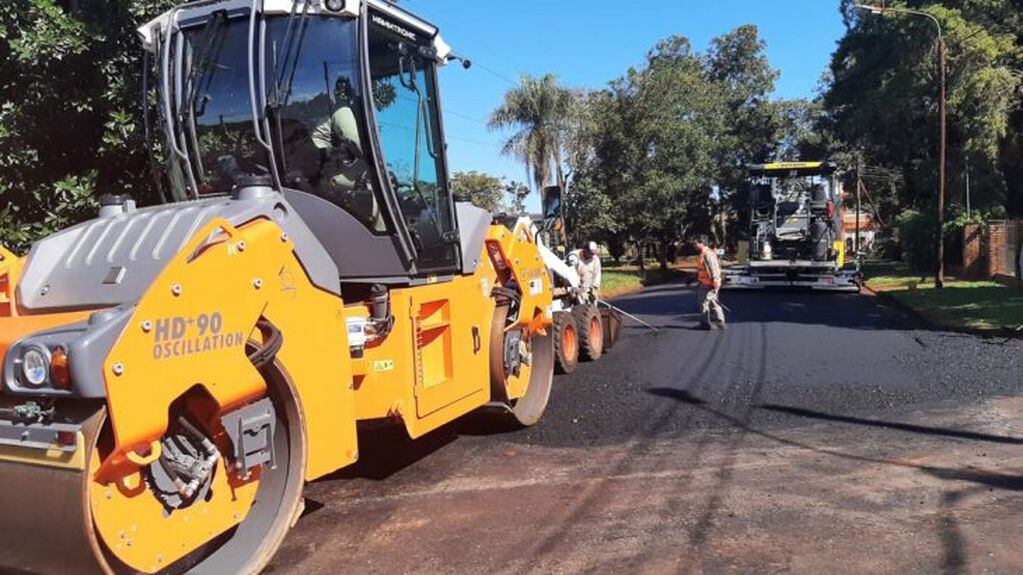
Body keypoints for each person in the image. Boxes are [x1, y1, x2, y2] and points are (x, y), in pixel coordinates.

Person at [692, 235, 726, 330]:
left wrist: (715, 282)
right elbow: (702, 269)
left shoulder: (708, 254)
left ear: (701, 243)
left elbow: (714, 268)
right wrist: (694, 277)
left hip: (709, 283)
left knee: (703, 303)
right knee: (713, 302)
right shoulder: (703, 253)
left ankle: (705, 324)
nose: (694, 245)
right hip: (705, 282)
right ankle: (720, 322)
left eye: (696, 243)